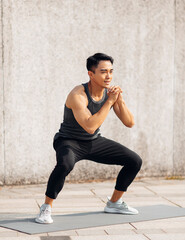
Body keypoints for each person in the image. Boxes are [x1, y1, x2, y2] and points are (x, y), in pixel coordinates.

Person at [35, 53, 142, 224]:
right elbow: (90, 126)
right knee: (65, 165)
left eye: (111, 71)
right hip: (68, 141)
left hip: (93, 141)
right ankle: (46, 207)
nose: (109, 76)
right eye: (103, 72)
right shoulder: (78, 95)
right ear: (91, 74)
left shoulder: (110, 94)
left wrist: (119, 100)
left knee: (134, 161)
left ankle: (114, 203)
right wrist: (109, 102)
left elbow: (129, 123)